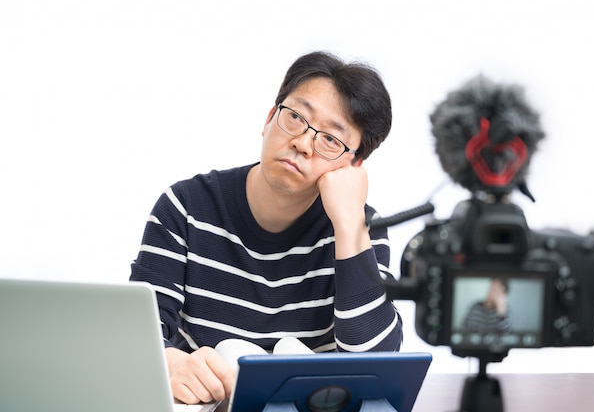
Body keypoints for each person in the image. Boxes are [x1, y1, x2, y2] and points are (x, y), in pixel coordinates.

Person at [129, 51, 403, 405]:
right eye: (295, 118)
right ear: (269, 118)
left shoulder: (360, 230)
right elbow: (138, 338)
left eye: (331, 140)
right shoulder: (185, 208)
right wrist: (168, 364)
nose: (303, 144)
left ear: (354, 164)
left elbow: (377, 368)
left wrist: (349, 224)